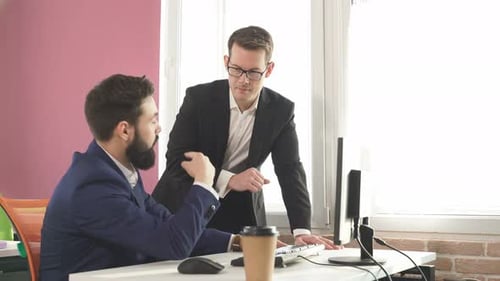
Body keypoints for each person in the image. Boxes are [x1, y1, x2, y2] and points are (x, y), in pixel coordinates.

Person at [152, 26, 336, 249]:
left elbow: (290, 170)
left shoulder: (281, 111)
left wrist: (301, 231)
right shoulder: (198, 99)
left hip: (240, 212)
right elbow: (177, 160)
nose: (243, 80)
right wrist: (229, 180)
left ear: (268, 70)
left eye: (253, 72)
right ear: (226, 62)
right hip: (184, 203)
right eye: (236, 69)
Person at [39, 74, 235, 281]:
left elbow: (171, 227)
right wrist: (203, 183)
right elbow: (174, 244)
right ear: (124, 130)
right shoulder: (93, 187)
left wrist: (237, 241)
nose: (158, 128)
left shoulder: (117, 172)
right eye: (153, 120)